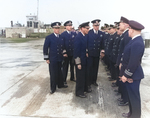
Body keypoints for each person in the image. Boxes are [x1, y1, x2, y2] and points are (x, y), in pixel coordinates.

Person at [120, 20, 145, 118]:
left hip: (133, 75)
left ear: (132, 30)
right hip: (131, 74)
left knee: (134, 97)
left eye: (129, 29)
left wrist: (126, 75)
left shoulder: (137, 43)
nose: (128, 30)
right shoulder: (134, 40)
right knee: (131, 96)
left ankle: (136, 115)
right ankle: (131, 113)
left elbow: (133, 62)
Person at [43, 22, 68, 94]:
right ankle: (53, 88)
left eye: (58, 28)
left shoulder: (61, 37)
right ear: (53, 29)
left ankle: (60, 84)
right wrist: (46, 58)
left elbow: (63, 47)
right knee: (53, 74)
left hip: (60, 58)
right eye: (56, 28)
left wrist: (64, 53)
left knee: (60, 72)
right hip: (52, 58)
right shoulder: (49, 37)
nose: (57, 30)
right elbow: (45, 48)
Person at [116, 16, 131, 106]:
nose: (119, 26)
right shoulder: (124, 34)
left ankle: (125, 99)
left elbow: (126, 51)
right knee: (122, 80)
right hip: (122, 61)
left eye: (120, 24)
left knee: (124, 81)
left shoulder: (127, 35)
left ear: (125, 25)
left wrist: (121, 62)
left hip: (124, 62)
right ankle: (123, 97)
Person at [74, 22, 90, 98]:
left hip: (84, 59)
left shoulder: (84, 36)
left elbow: (84, 47)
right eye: (87, 28)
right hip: (80, 61)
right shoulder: (78, 37)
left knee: (84, 76)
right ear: (82, 28)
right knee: (80, 77)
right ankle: (79, 92)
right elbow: (76, 52)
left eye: (88, 28)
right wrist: (78, 63)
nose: (88, 30)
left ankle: (84, 89)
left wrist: (86, 52)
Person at [87, 19, 104, 87]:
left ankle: (94, 80)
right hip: (90, 53)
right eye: (95, 25)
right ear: (93, 26)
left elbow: (102, 44)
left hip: (96, 53)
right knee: (89, 68)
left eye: (98, 25)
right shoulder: (89, 32)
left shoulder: (101, 33)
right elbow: (86, 43)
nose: (97, 27)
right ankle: (89, 81)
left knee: (95, 68)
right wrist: (87, 51)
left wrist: (102, 51)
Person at [61, 20, 76, 86]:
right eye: (69, 26)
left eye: (71, 25)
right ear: (66, 27)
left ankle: (72, 77)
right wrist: (64, 52)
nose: (70, 27)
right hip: (66, 54)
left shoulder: (74, 34)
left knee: (72, 66)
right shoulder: (63, 35)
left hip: (72, 53)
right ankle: (64, 80)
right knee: (65, 67)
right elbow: (61, 44)